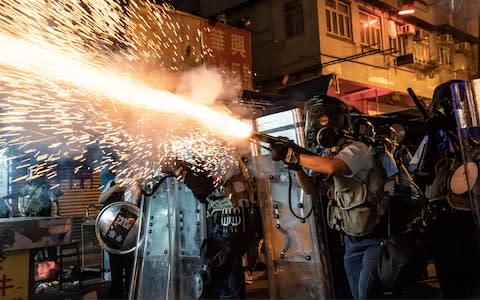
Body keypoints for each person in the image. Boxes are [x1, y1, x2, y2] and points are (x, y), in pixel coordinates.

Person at [269, 96, 397, 299]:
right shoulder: (327, 154)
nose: (319, 124)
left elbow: (333, 167)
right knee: (356, 293)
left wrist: (296, 156)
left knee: (366, 294)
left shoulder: (357, 149)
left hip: (375, 237)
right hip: (349, 239)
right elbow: (309, 188)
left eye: (323, 119)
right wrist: (294, 166)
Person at [410, 80, 480, 298]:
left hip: (472, 217)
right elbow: (421, 176)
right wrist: (432, 137)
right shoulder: (435, 137)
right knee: (452, 287)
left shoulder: (473, 136)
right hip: (443, 222)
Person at [162, 149, 257, 299]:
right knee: (218, 275)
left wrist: (179, 171)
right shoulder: (211, 164)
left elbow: (207, 187)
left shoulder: (228, 159)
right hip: (223, 224)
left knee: (222, 277)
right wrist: (185, 171)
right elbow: (203, 194)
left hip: (234, 223)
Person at [98, 168, 140, 300]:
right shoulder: (110, 183)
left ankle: (129, 292)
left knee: (129, 265)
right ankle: (115, 293)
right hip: (112, 228)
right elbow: (100, 199)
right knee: (115, 264)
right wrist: (114, 188)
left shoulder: (134, 183)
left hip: (129, 227)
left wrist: (131, 185)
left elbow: (136, 201)